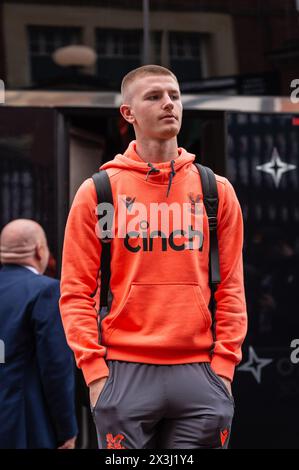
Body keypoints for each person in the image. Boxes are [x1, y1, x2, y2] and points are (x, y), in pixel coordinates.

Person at [59, 65, 248, 449]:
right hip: (123, 370)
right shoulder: (98, 191)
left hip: (200, 371)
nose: (168, 104)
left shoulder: (216, 190)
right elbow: (76, 291)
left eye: (174, 96)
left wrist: (224, 367)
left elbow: (231, 287)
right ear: (128, 114)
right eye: (154, 97)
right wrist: (95, 373)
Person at [0, 219, 78, 449]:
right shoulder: (45, 291)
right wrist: (67, 430)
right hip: (27, 424)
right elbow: (56, 367)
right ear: (39, 250)